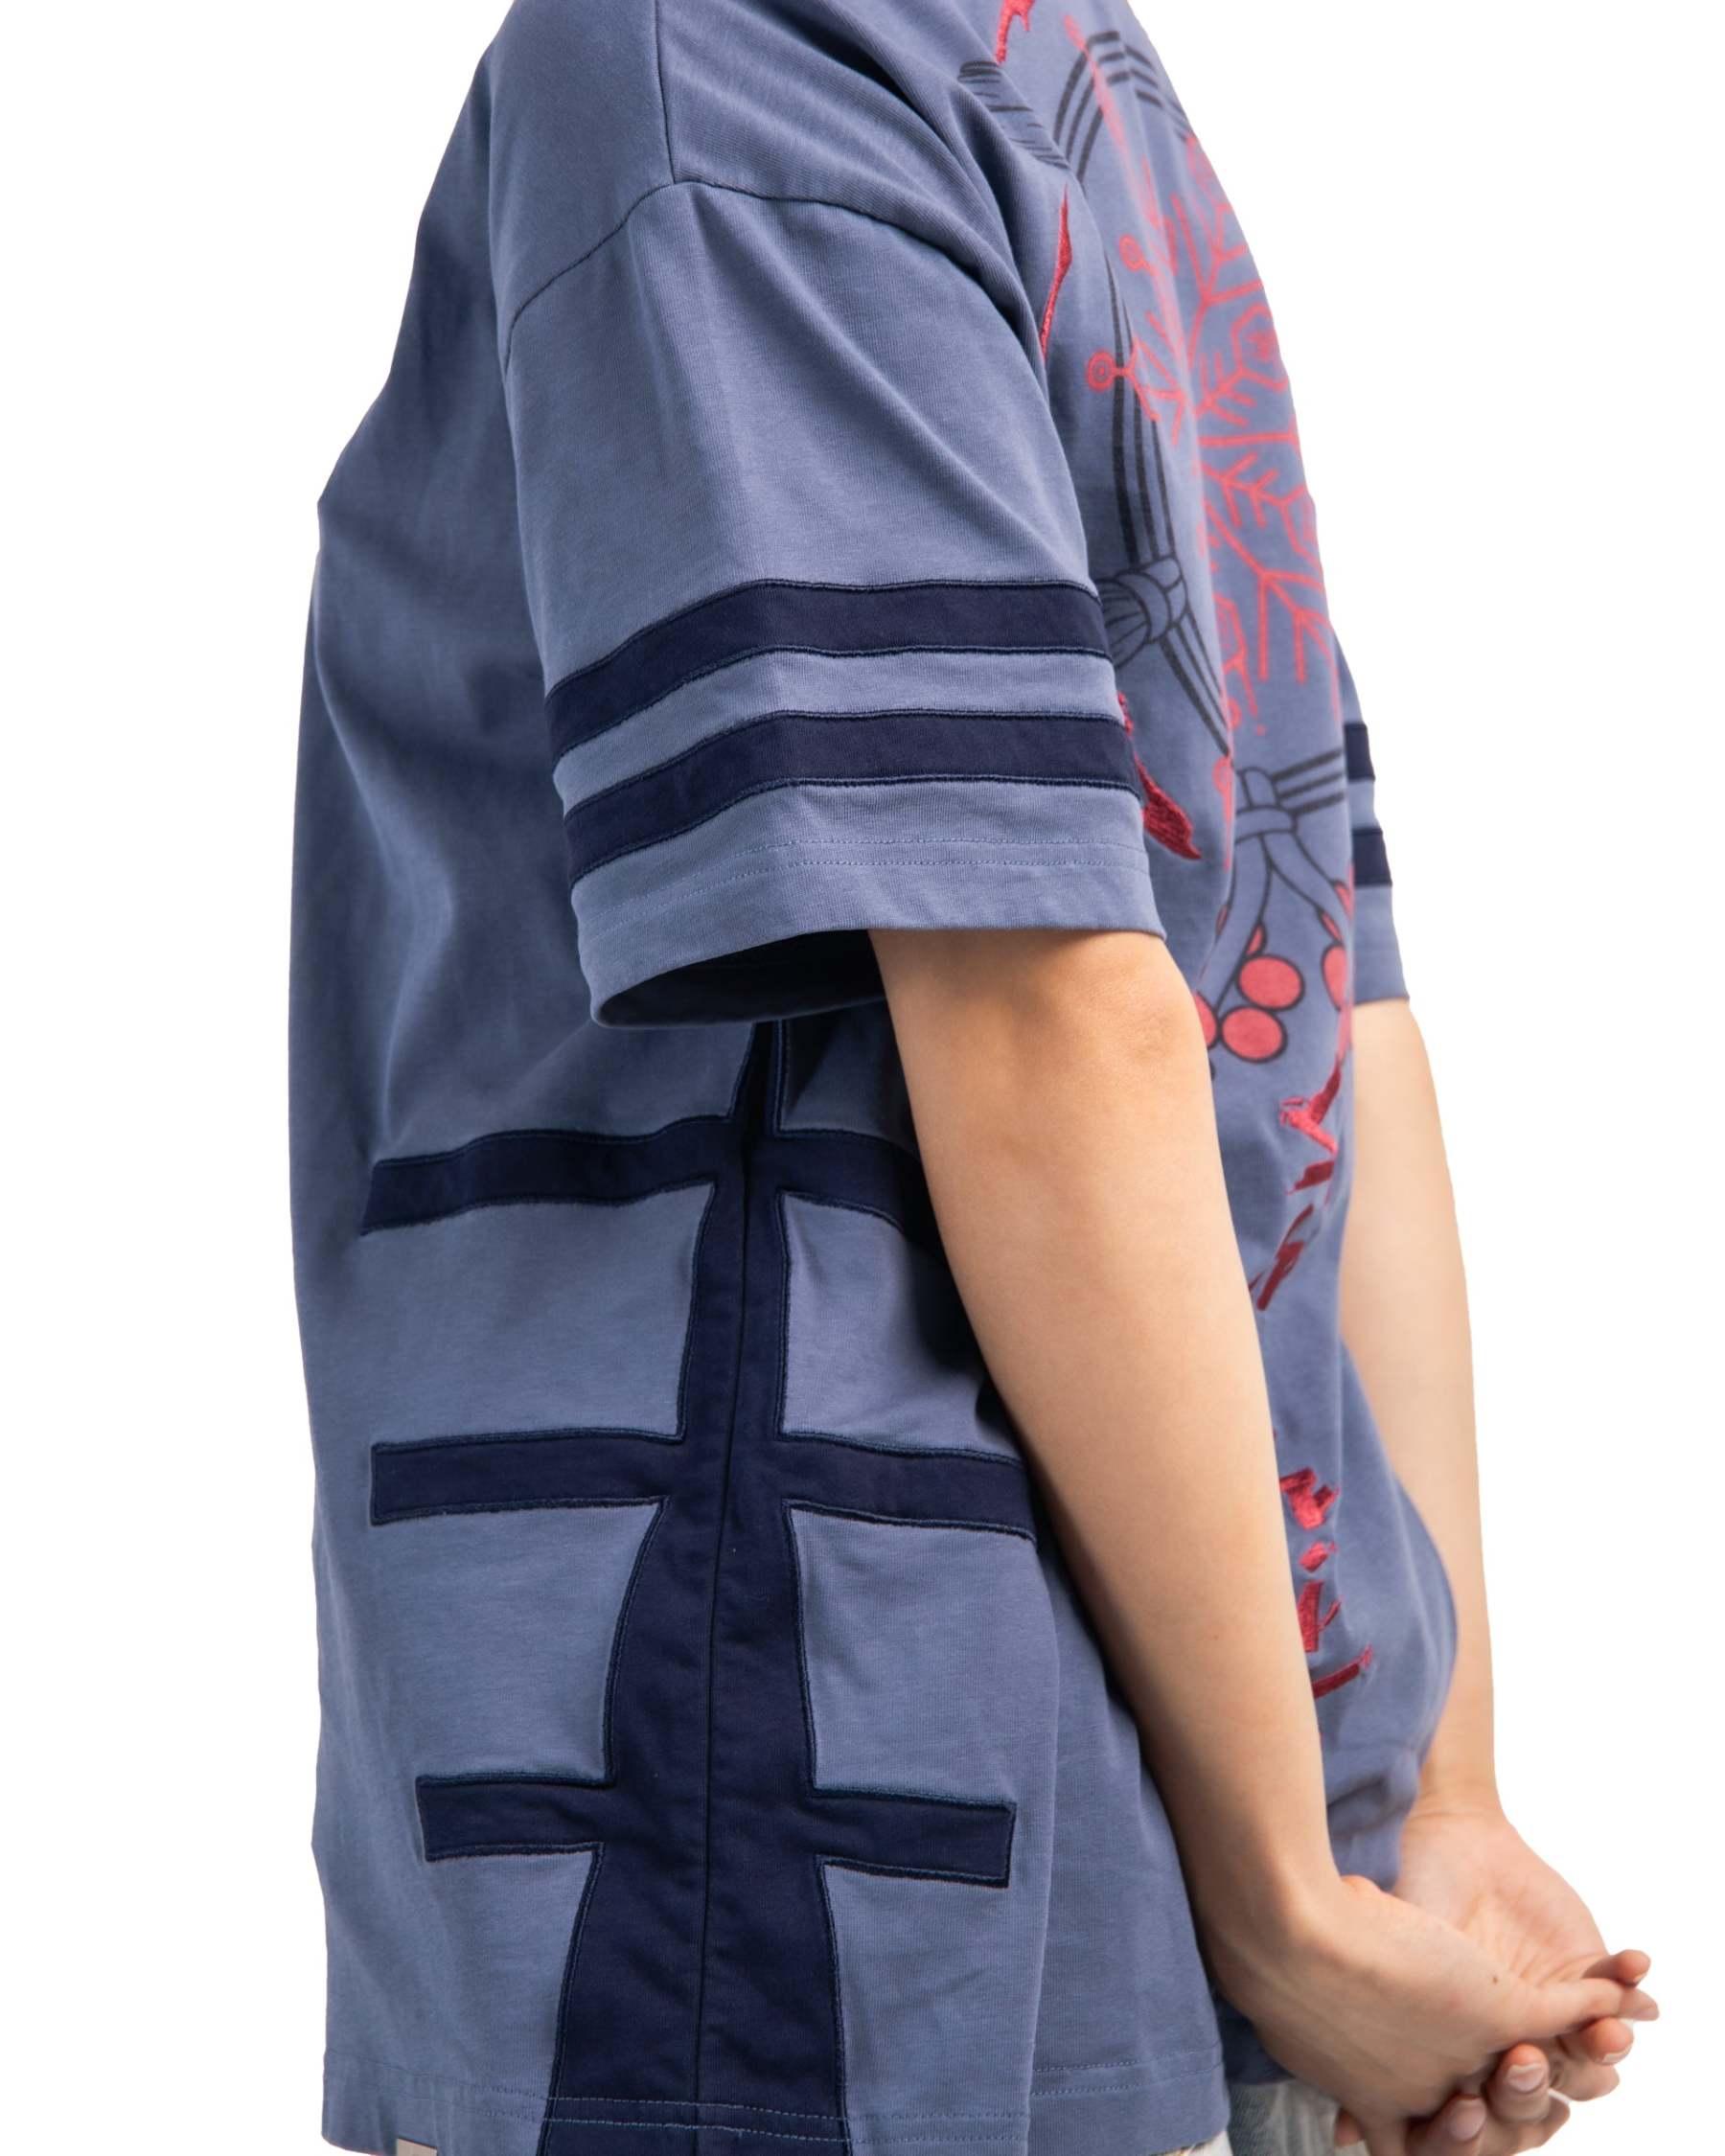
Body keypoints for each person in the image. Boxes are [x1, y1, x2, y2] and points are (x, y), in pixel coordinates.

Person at [290, 3, 1657, 2154]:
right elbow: (1334, 1008)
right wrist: (1409, 1800)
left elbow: (1048, 1005)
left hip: (801, 1819)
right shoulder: (1074, 96)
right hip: (1052, 1798)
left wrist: (1311, 1890)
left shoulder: (718, 51)